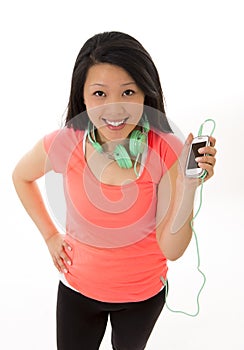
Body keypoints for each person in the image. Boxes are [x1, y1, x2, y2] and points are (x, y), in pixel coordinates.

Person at [12, 31, 217, 350]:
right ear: (81, 96)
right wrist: (51, 235)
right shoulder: (66, 141)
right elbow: (21, 177)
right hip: (77, 292)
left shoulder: (167, 150)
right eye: (99, 94)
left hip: (143, 296)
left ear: (145, 94)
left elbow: (172, 250)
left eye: (128, 92)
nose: (115, 109)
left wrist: (189, 186)